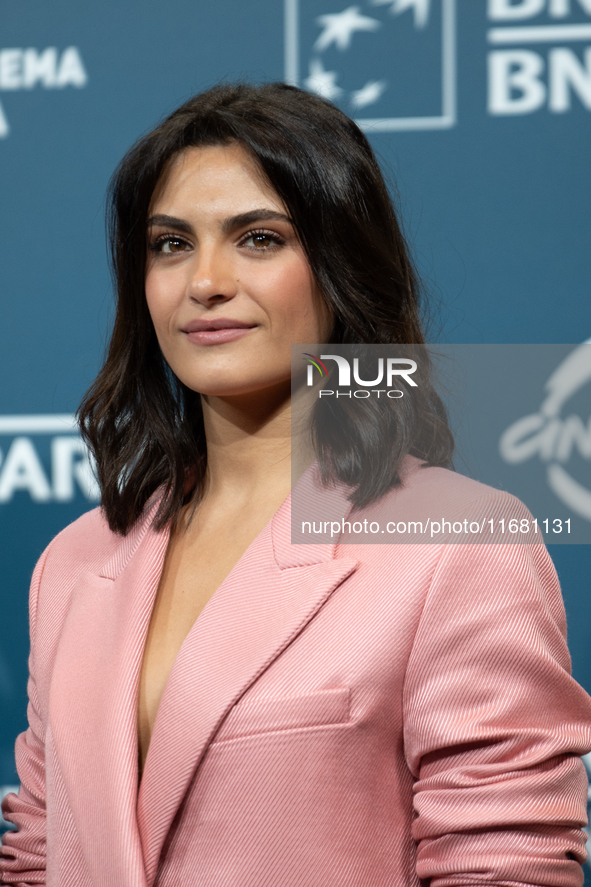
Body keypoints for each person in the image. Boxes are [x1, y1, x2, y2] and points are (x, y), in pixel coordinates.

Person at [1, 82, 590, 887]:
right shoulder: (72, 562)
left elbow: (506, 868)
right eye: (170, 243)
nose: (204, 280)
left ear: (338, 264)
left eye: (257, 238)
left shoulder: (459, 541)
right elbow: (39, 852)